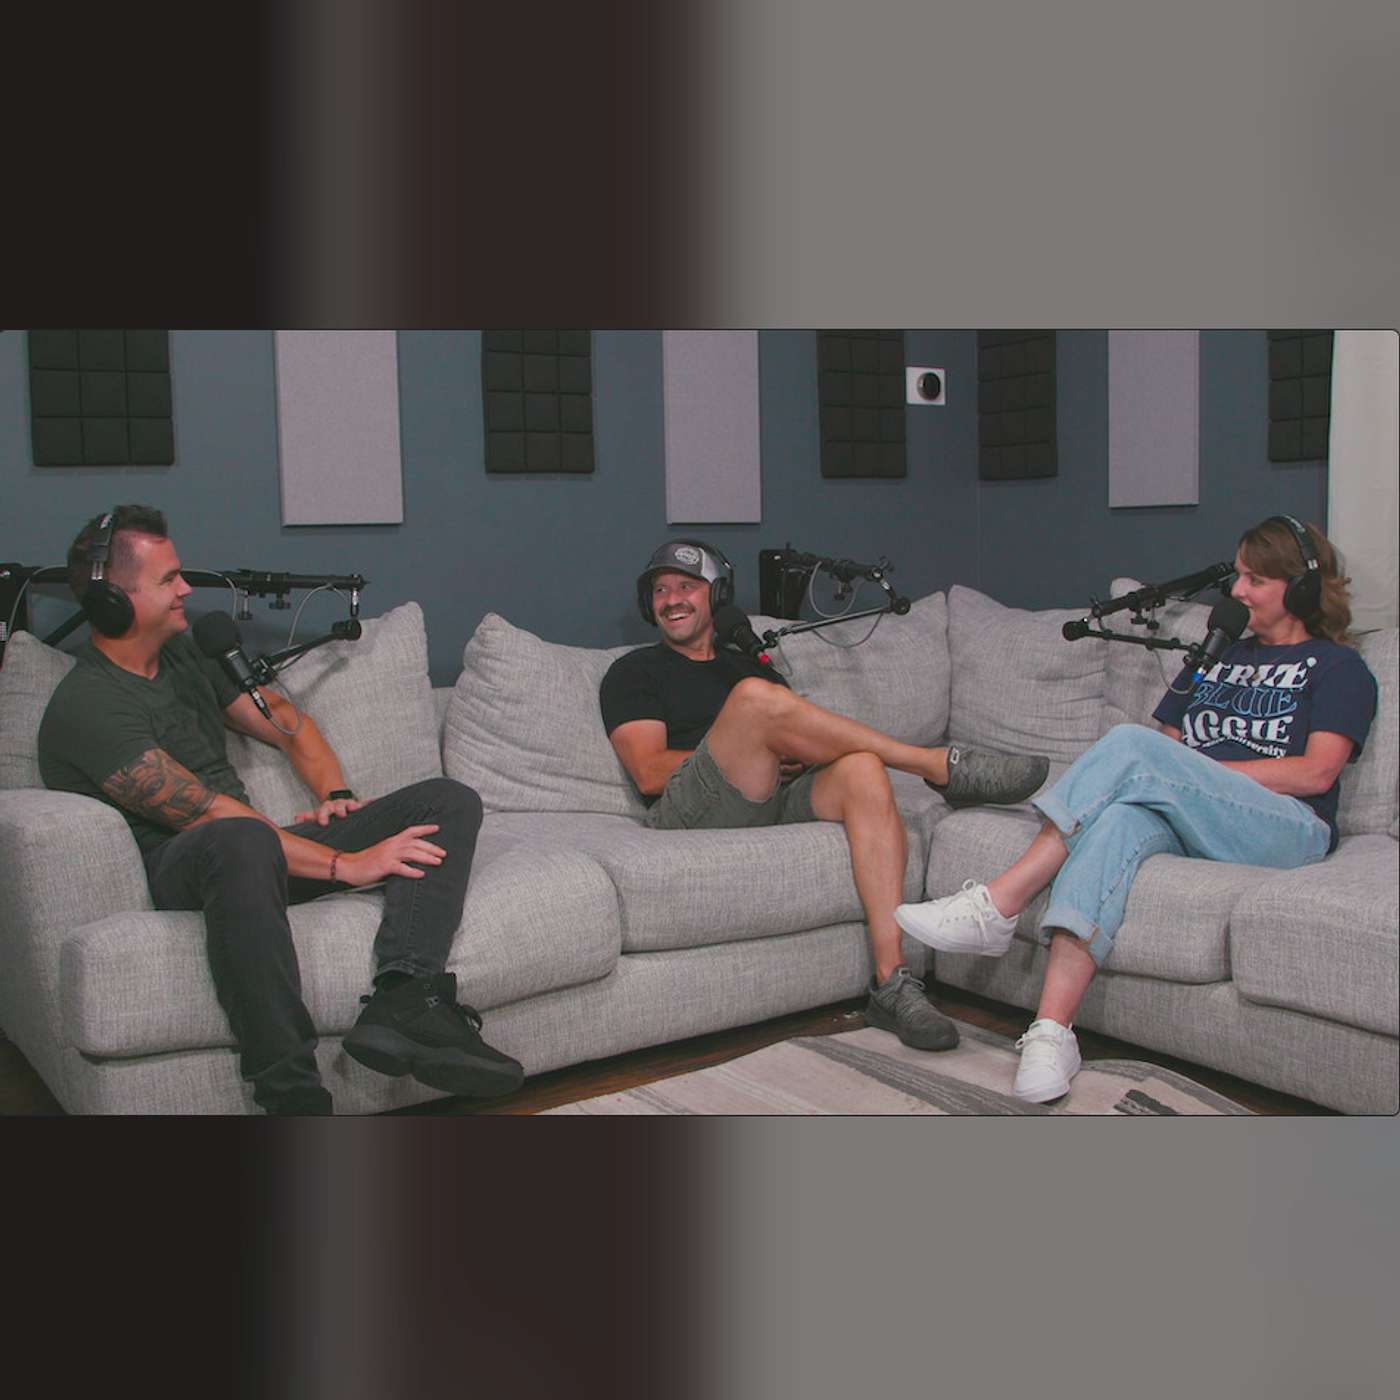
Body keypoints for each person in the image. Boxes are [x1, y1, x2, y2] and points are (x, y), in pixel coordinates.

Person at [38, 506, 522, 1115]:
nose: (186, 589)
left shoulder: (185, 656)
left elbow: (289, 725)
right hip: (186, 863)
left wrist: (335, 796)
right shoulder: (88, 705)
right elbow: (208, 817)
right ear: (112, 601)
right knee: (242, 839)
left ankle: (405, 999)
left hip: (255, 847)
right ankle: (293, 1098)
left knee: (446, 800)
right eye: (168, 579)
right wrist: (347, 865)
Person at [894, 515, 1379, 1102]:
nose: (1237, 591)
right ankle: (1051, 1032)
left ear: (1300, 589)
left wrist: (1194, 778)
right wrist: (1180, 778)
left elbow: (1316, 771)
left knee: (1130, 746)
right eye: (1238, 576)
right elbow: (1167, 743)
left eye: (1256, 580)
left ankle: (999, 902)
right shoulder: (1218, 655)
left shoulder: (1338, 667)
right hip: (1194, 813)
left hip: (1286, 826)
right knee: (1118, 822)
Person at [599, 539, 1051, 1051]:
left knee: (862, 769)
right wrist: (750, 742)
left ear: (717, 595)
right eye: (661, 590)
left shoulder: (748, 666)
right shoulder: (635, 671)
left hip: (770, 794)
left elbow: (802, 740)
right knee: (753, 701)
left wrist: (781, 752)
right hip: (688, 809)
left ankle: (891, 983)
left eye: (687, 586)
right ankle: (935, 764)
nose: (672, 600)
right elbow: (649, 772)